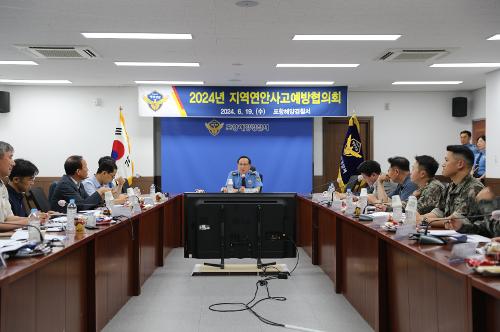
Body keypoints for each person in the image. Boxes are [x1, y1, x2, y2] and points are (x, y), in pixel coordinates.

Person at [418, 145, 484, 228]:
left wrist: (422, 219)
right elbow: (440, 211)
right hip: (451, 235)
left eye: (446, 160)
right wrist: (420, 218)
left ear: (460, 164)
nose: (443, 164)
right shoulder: (451, 186)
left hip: (470, 238)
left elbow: (455, 221)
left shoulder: (474, 188)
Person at [0, 141, 47, 230]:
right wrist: (29, 221)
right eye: (10, 157)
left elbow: (8, 218)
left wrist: (35, 218)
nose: (13, 163)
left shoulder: (2, 185)